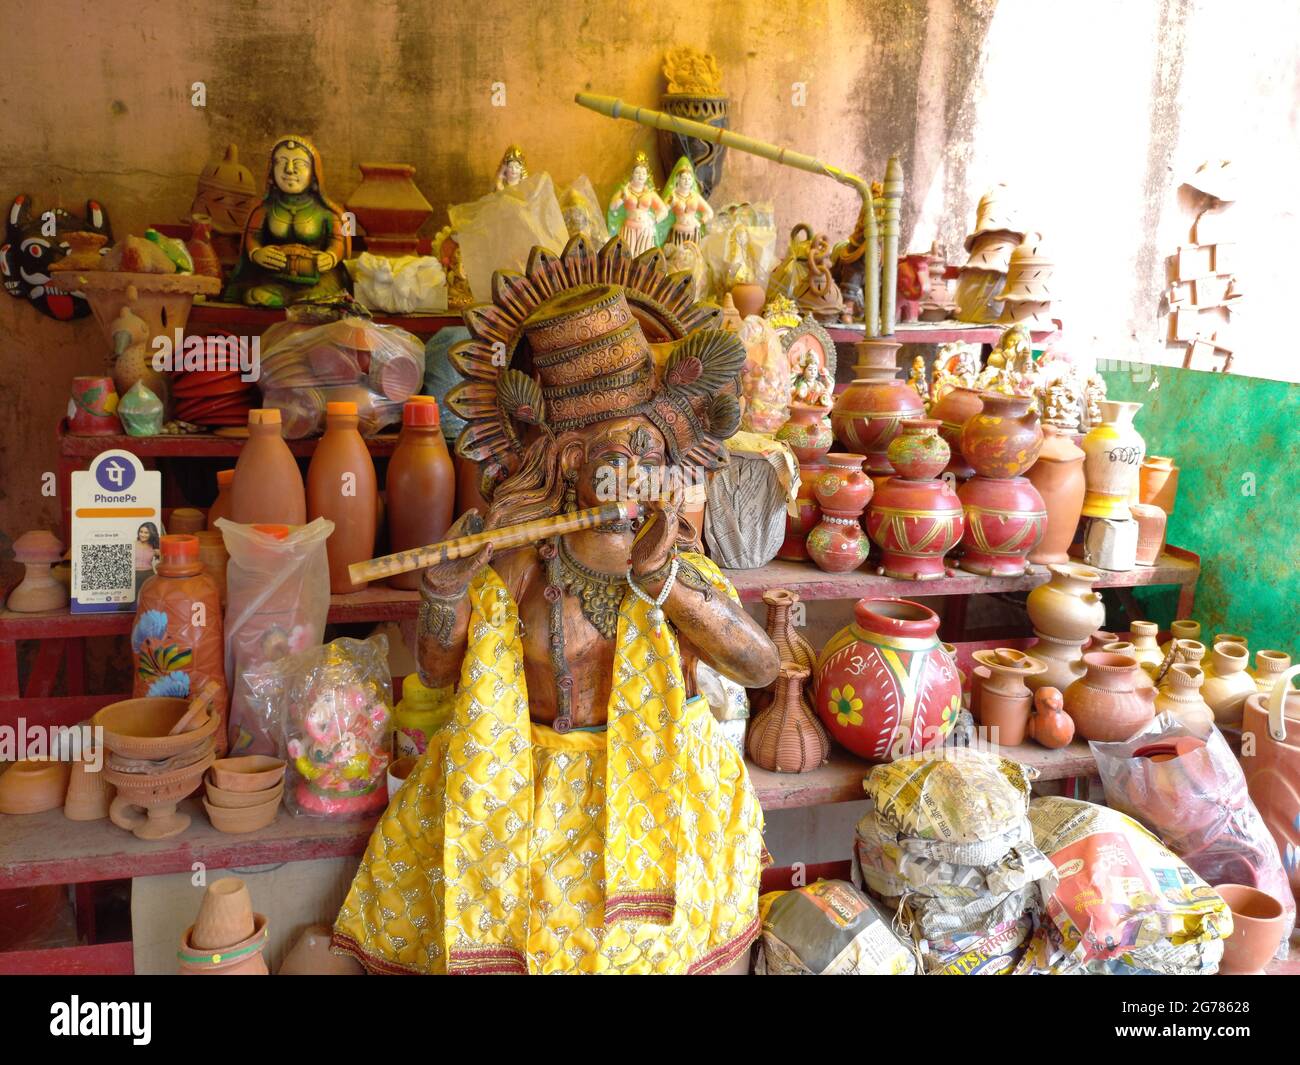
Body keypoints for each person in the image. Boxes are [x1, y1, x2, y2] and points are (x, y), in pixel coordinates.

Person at [332, 283, 780, 974]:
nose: (639, 469)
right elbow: (437, 672)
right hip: (526, 797)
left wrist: (665, 582)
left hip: (658, 802)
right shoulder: (520, 560)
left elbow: (760, 665)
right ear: (569, 459)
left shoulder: (674, 560)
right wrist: (447, 589)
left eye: (649, 448)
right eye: (619, 449)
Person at [223, 135, 351, 308]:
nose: (289, 170)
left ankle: (301, 299)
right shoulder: (264, 209)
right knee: (259, 294)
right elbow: (253, 237)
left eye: (299, 164)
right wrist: (257, 253)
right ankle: (280, 297)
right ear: (271, 170)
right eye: (281, 163)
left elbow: (338, 241)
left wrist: (330, 256)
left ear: (314, 173)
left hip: (317, 278)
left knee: (319, 298)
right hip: (275, 276)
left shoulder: (327, 212)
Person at [607, 151, 668, 257]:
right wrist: (623, 197)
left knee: (643, 254)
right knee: (627, 253)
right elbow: (612, 207)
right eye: (637, 172)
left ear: (647, 176)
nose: (641, 176)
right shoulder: (625, 191)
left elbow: (664, 211)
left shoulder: (650, 193)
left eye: (644, 173)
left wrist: (654, 220)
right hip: (629, 228)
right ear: (632, 174)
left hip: (646, 230)